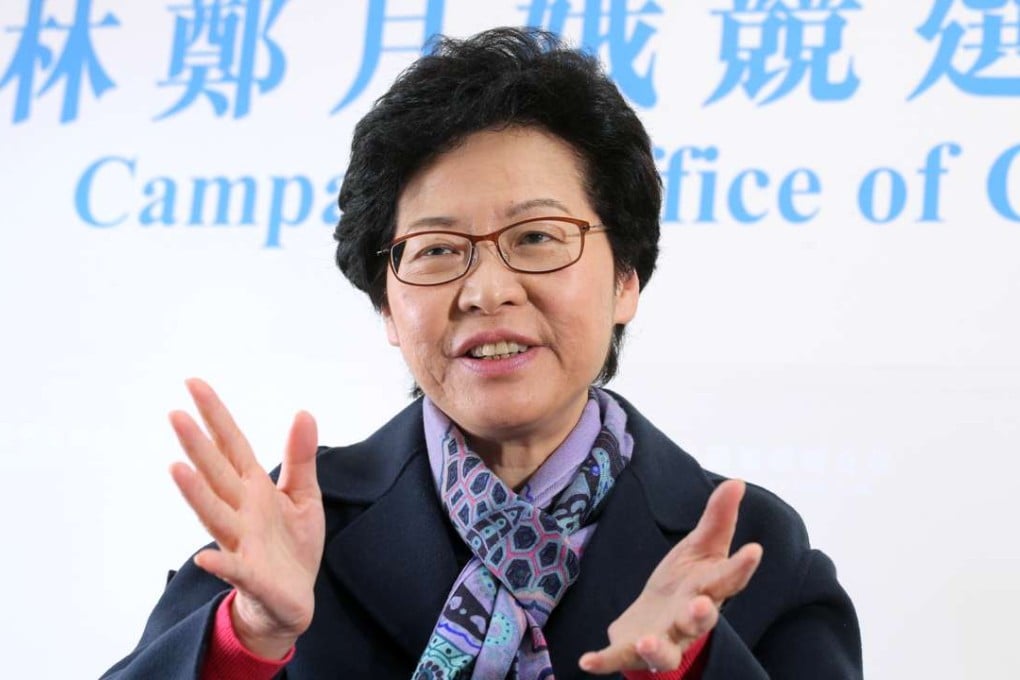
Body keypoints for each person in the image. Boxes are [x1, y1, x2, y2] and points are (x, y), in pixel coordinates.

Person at [103, 28, 862, 680]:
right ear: (387, 307)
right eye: (437, 250)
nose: (486, 290)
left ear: (627, 278)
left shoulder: (747, 550)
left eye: (536, 237)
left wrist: (694, 669)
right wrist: (246, 643)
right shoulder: (293, 528)